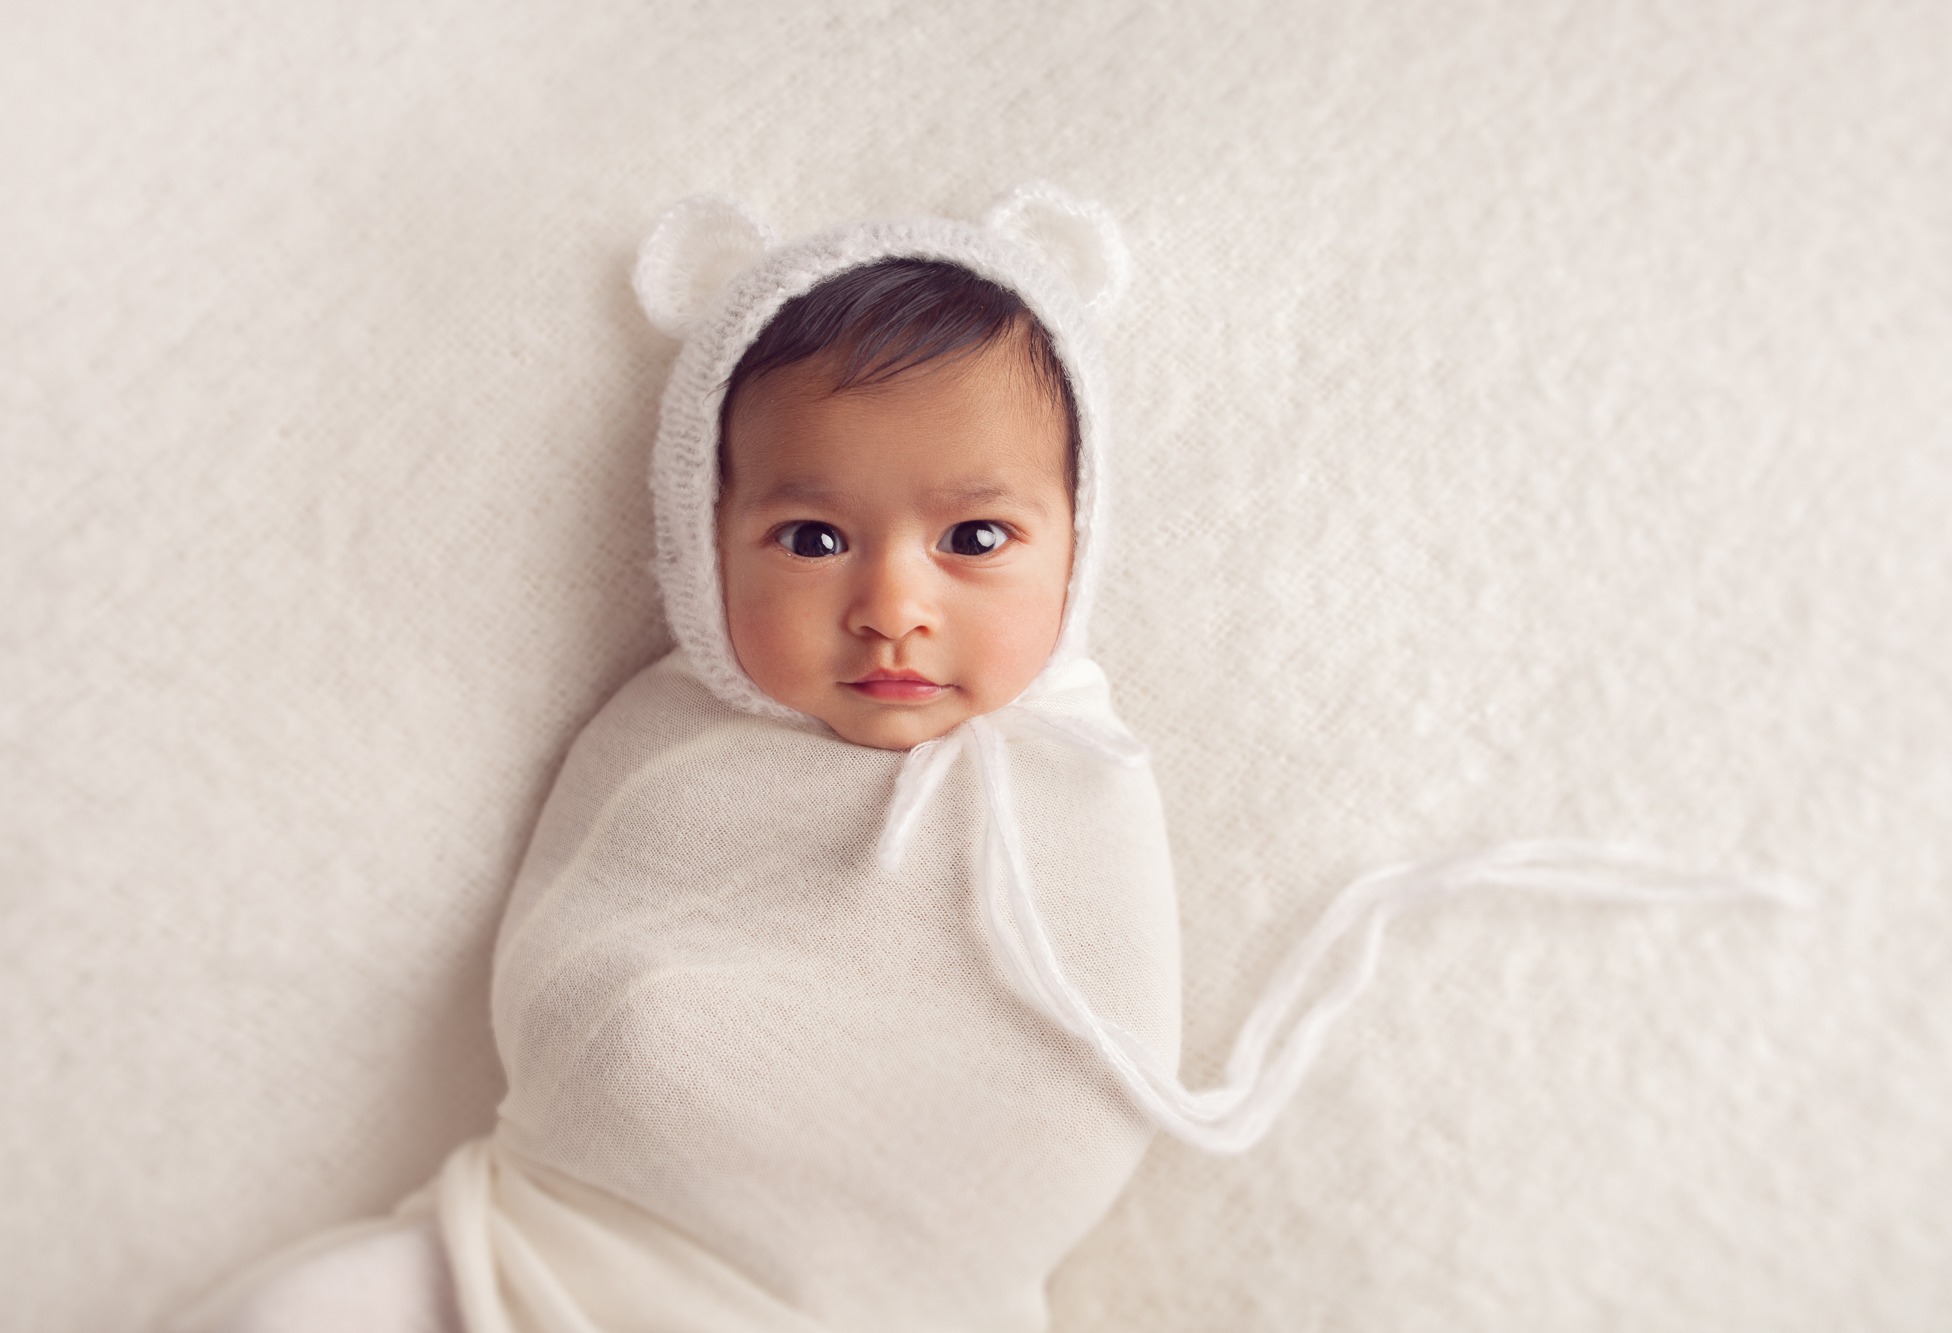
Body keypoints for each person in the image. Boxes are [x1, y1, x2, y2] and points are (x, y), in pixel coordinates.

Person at [172, 187, 1790, 1333]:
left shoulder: (1070, 789)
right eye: (809, 534)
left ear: (1075, 549)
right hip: (542, 1255)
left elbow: (1065, 1097)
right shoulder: (675, 741)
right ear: (694, 532)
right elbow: (594, 971)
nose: (892, 602)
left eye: (975, 536)